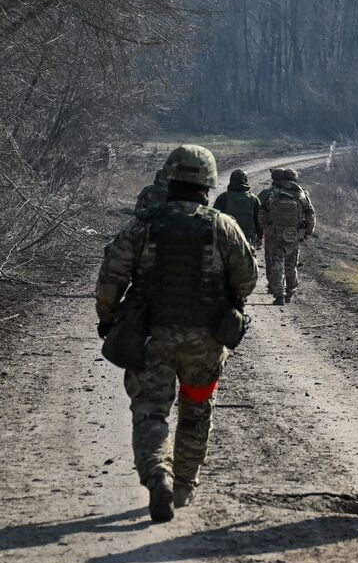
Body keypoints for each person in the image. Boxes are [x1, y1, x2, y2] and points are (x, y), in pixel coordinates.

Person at [96, 145, 257, 522]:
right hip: (204, 346)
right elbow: (247, 281)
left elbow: (111, 277)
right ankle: (183, 485)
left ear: (171, 178)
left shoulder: (143, 224)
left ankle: (158, 477)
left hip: (151, 340)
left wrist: (107, 317)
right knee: (196, 411)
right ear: (208, 182)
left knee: (151, 412)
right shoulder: (223, 226)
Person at [258, 168, 315, 305]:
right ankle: (290, 292)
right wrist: (308, 232)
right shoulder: (302, 195)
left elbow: (262, 213)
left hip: (275, 236)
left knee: (277, 264)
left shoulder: (274, 194)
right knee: (291, 265)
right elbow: (310, 214)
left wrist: (266, 228)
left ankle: (279, 295)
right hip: (294, 236)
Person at [213, 169, 264, 249]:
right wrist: (260, 236)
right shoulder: (253, 199)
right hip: (248, 240)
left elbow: (215, 219)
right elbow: (259, 221)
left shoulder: (223, 198)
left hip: (227, 239)